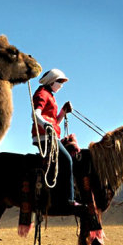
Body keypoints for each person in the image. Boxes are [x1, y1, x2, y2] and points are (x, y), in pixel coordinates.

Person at [31, 68, 82, 209]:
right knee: (66, 160)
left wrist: (63, 111)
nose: (61, 85)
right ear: (52, 81)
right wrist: (45, 124)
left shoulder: (50, 95)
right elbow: (35, 114)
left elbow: (54, 121)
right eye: (60, 81)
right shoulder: (42, 93)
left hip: (50, 134)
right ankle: (68, 200)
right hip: (45, 137)